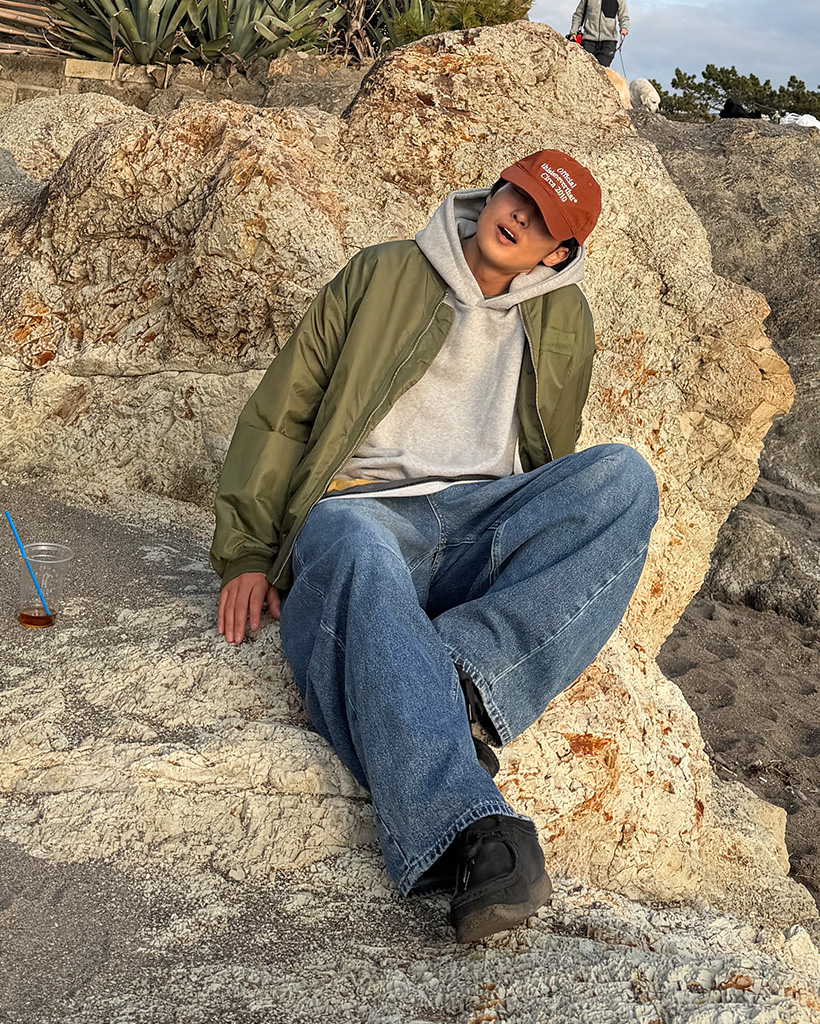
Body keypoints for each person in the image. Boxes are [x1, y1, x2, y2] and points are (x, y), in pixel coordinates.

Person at [211, 150, 658, 943]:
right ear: (497, 190)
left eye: (543, 222)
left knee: (623, 477)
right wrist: (247, 551)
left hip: (478, 520)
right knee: (352, 540)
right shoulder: (382, 272)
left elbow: (550, 456)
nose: (518, 217)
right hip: (364, 509)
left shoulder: (565, 320)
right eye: (518, 195)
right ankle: (471, 829)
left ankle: (456, 680)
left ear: (558, 252)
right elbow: (284, 409)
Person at [570, 0, 629, 68]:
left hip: (609, 41)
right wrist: (573, 32)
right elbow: (578, 14)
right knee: (586, 68)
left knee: (601, 68)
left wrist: (624, 27)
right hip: (588, 40)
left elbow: (624, 16)